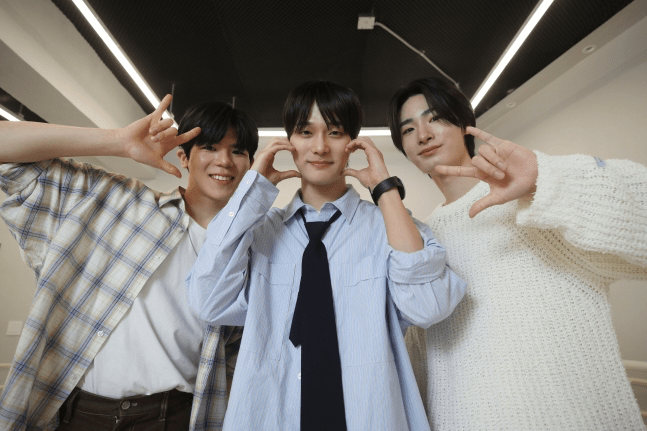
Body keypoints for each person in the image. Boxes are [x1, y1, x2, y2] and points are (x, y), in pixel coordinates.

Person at [186, 80, 466, 431]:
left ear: (352, 143)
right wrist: (251, 192)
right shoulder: (258, 234)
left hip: (370, 415)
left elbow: (429, 307)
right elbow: (208, 301)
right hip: (269, 415)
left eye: (334, 132)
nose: (319, 147)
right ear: (289, 142)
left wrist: (384, 189)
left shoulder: (391, 227)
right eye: (305, 132)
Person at [388, 77, 647, 430]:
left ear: (464, 124)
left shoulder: (535, 199)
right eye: (408, 129)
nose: (423, 134)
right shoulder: (422, 240)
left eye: (434, 118)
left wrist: (545, 180)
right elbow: (423, 357)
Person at [0, 95, 258, 430]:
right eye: (210, 147)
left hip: (177, 416)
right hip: (81, 413)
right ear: (183, 156)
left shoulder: (249, 253)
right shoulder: (117, 202)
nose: (224, 160)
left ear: (249, 164)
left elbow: (237, 358)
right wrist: (118, 142)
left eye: (237, 151)